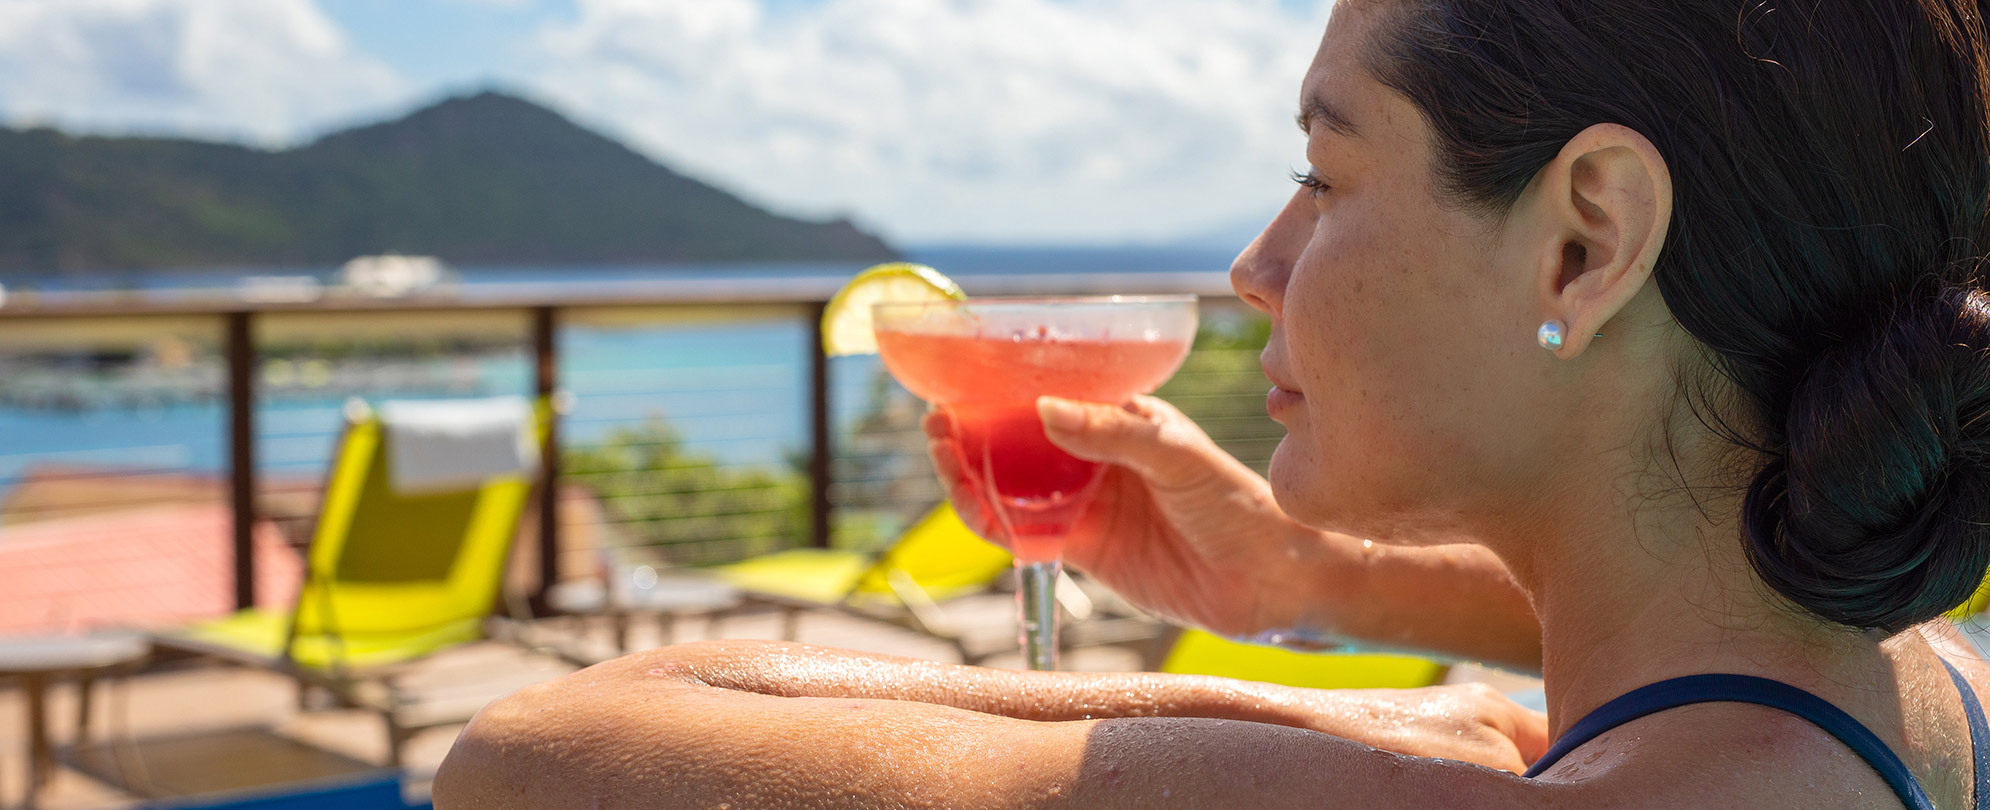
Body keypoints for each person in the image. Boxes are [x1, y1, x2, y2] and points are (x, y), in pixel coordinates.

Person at [434, 0, 1990, 806]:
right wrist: (1299, 576)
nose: (1258, 264)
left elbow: (529, 753)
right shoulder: (1913, 688)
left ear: (1582, 241)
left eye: (1326, 170)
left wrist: (1363, 733)